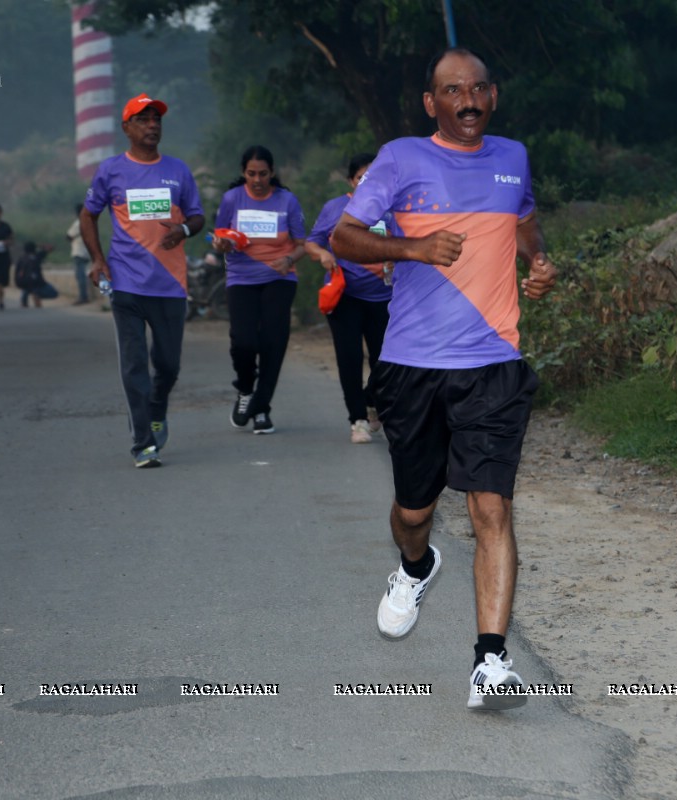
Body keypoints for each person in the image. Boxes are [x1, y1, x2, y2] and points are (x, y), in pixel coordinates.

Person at [330, 48, 558, 710]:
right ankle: (415, 567)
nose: (467, 98)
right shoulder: (399, 158)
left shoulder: (513, 157)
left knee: (492, 508)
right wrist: (412, 248)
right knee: (414, 511)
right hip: (412, 366)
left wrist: (538, 263)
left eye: (478, 88)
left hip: (493, 365)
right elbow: (346, 237)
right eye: (451, 90)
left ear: (493, 96)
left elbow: (524, 224)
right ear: (432, 103)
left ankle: (491, 663)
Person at [81, 93, 204, 468]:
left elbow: (198, 217)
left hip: (169, 284)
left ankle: (157, 409)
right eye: (143, 119)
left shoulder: (179, 171)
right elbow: (89, 216)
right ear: (126, 127)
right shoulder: (110, 170)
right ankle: (143, 442)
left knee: (168, 366)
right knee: (134, 366)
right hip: (127, 284)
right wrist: (99, 260)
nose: (152, 125)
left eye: (157, 119)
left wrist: (182, 229)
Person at [211, 145, 305, 434]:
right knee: (244, 341)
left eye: (263, 173)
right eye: (251, 173)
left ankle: (262, 409)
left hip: (279, 277)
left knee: (273, 343)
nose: (257, 179)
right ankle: (245, 389)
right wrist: (221, 244)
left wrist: (288, 259)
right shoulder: (232, 199)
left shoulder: (287, 201)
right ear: (243, 174)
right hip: (241, 278)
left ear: (272, 173)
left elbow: (303, 244)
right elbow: (219, 237)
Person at [305, 153, 391, 443]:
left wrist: (393, 263)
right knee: (350, 359)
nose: (366, 184)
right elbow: (311, 243)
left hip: (384, 298)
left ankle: (372, 400)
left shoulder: (391, 209)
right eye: (360, 178)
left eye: (372, 178)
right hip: (345, 297)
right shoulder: (336, 208)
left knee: (386, 361)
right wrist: (324, 254)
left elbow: (405, 245)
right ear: (351, 181)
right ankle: (358, 420)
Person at [14, 241, 55, 308]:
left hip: (22, 282)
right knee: (54, 293)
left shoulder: (21, 258)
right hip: (36, 282)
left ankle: (24, 301)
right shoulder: (37, 256)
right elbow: (51, 248)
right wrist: (40, 245)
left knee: (26, 287)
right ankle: (36, 295)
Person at [67, 203, 91, 305]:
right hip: (86, 252)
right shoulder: (89, 222)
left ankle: (83, 297)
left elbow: (68, 236)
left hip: (78, 252)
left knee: (80, 276)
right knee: (83, 275)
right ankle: (84, 296)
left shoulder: (78, 223)